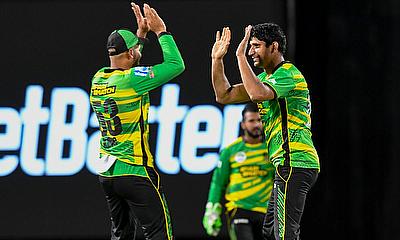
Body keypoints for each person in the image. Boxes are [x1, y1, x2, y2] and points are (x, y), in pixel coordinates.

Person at [210, 23, 319, 240]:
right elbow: (224, 95)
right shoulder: (266, 79)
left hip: (295, 162)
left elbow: (257, 94)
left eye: (256, 46)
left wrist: (239, 56)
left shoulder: (288, 73)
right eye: (249, 47)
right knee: (270, 233)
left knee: (284, 234)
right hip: (286, 165)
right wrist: (217, 60)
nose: (251, 52)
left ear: (274, 46)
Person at [89, 3, 184, 240]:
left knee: (121, 235)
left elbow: (130, 62)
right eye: (135, 49)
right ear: (131, 53)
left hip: (108, 175)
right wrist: (161, 31)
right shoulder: (132, 80)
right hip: (135, 170)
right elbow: (176, 65)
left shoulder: (98, 78)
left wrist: (140, 35)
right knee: (159, 234)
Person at [202, 103, 275, 240]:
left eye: (259, 120)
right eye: (251, 121)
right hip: (239, 208)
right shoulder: (230, 150)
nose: (256, 125)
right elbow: (218, 182)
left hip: (265, 210)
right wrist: (211, 210)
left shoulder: (272, 149)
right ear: (243, 124)